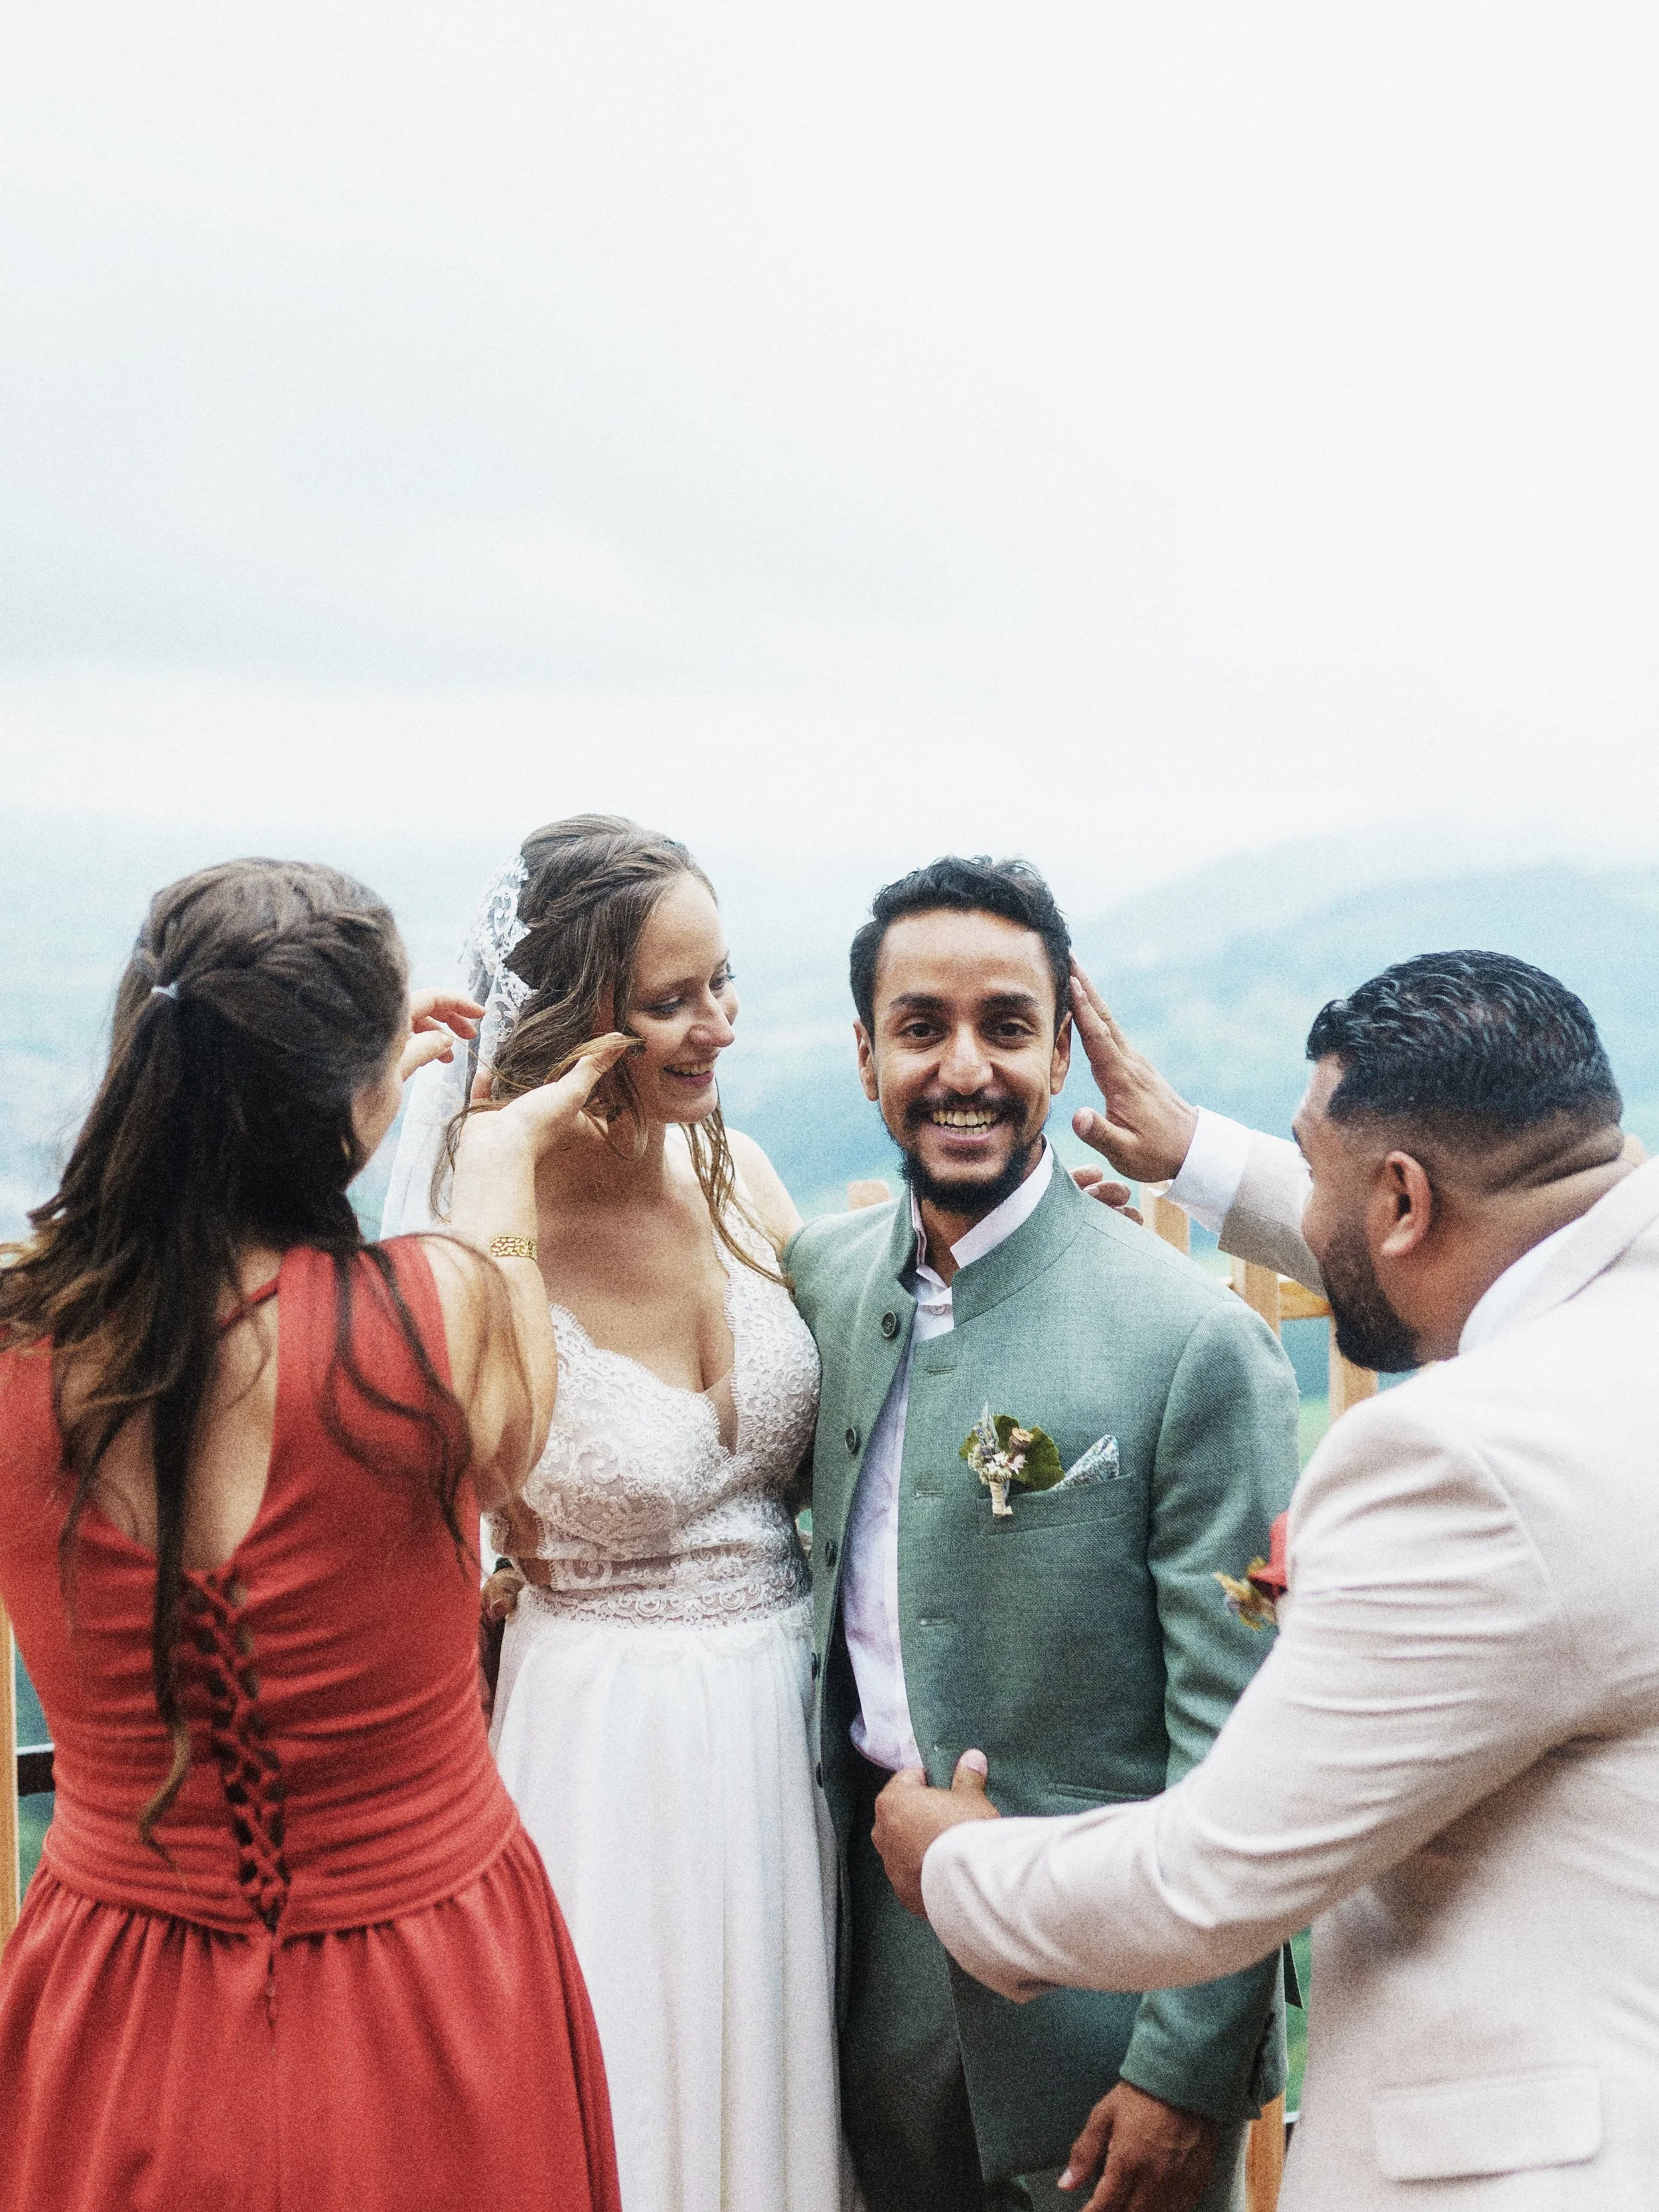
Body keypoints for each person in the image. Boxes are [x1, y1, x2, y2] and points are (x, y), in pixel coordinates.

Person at [883, 950, 1659, 2211]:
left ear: (1401, 1200)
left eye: (1322, 1173)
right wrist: (1200, 1153)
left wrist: (959, 1868)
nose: (1309, 1213)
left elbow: (1210, 1880)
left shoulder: (1463, 1462)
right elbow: (1480, 1231)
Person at [0, 859, 624, 2212]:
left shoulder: (16, 1345)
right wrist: (490, 1154)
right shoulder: (441, 1310)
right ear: (347, 1091)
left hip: (114, 2001)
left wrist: (325, 1094)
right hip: (434, 1987)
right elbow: (515, 1446)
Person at [782, 857, 1301, 2212]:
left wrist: (1189, 2069)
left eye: (1005, 1027)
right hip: (862, 2003)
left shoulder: (1187, 1340)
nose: (964, 1068)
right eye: (920, 1028)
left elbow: (1240, 1748)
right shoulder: (819, 1285)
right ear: (863, 1055)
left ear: (1059, 1050)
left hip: (1100, 2028)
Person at [383, 816, 851, 2212]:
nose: (714, 1026)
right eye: (669, 1000)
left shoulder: (734, 1169)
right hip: (604, 1741)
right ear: (577, 1018)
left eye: (721, 983)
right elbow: (484, 1456)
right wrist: (493, 1181)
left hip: (784, 1727)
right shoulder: (476, 1220)